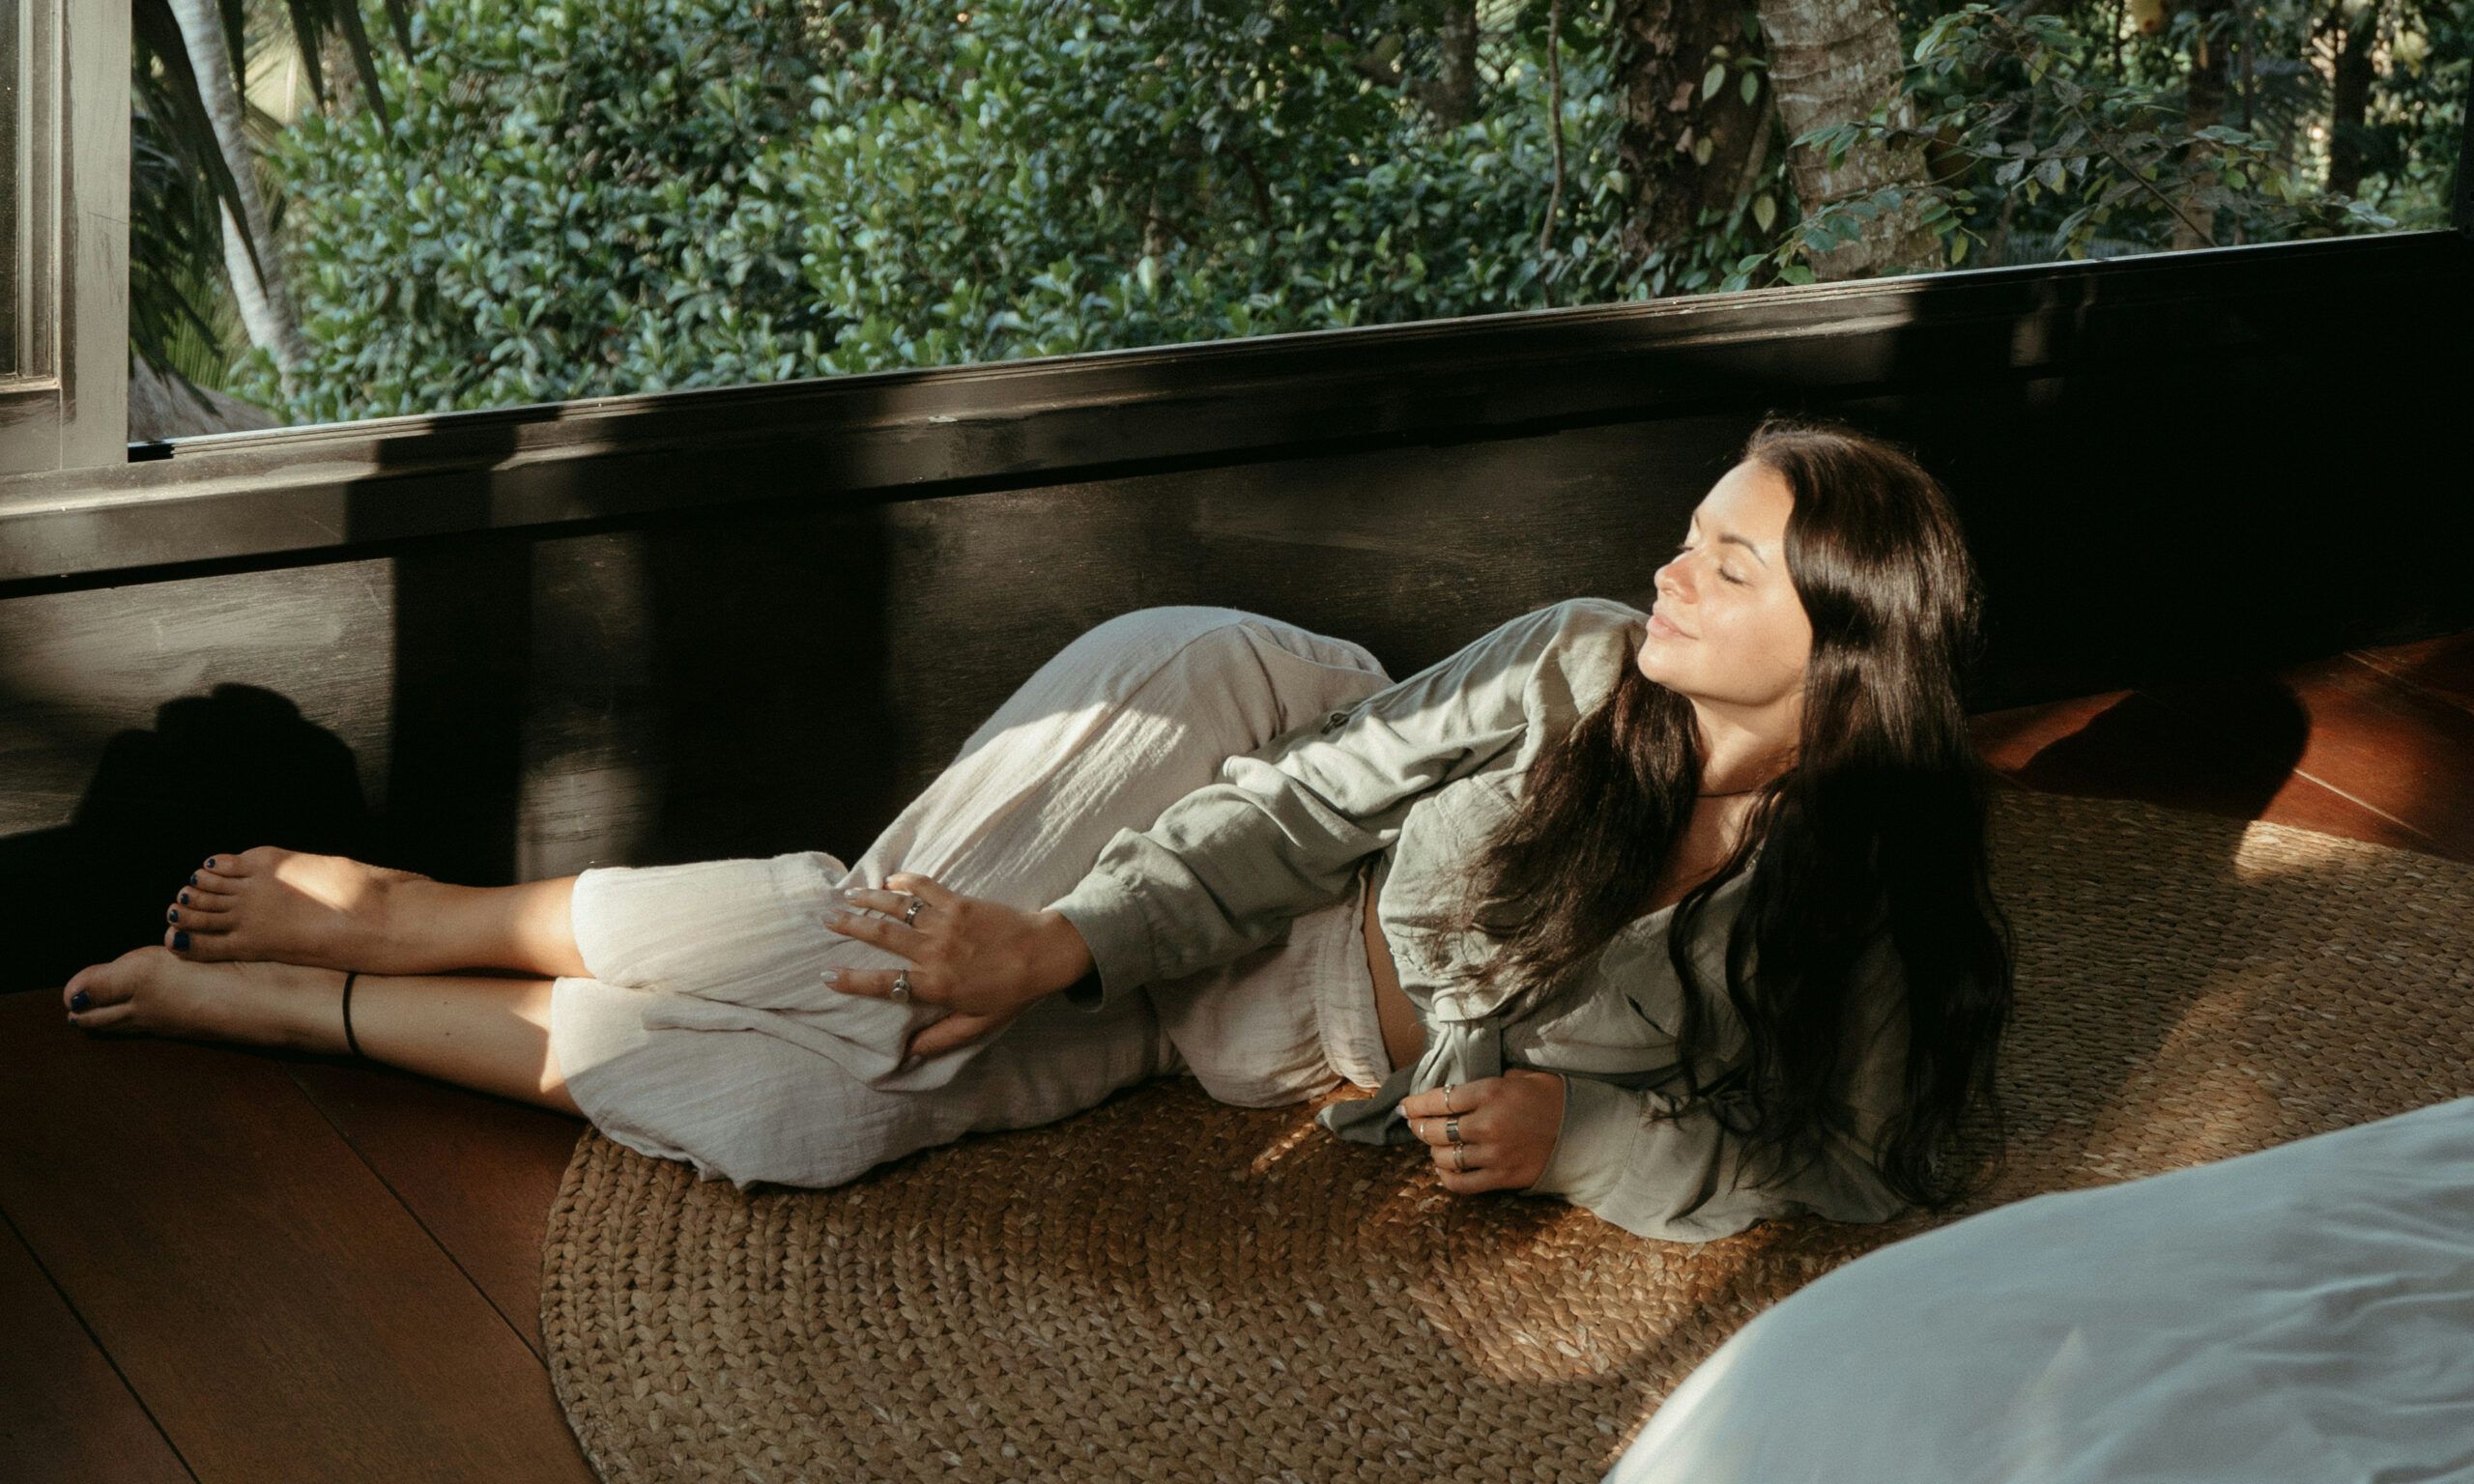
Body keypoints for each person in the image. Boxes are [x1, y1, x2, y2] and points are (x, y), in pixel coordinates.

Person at [60, 412, 2015, 1242]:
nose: (1666, 574)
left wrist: (1590, 1137)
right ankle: (424, 919)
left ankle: (317, 1007)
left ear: (1839, 665)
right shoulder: (1578, 664)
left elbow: (1871, 1159)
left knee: (823, 1110)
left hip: (1254, 1005)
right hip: (1250, 741)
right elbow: (1307, 798)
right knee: (897, 951)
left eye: (1724, 565)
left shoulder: (1856, 893)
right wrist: (1057, 946)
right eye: (1687, 534)